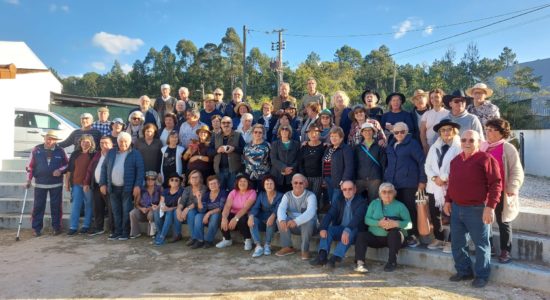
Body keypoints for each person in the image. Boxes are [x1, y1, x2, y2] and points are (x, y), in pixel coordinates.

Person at [444, 130, 502, 288]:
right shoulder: (455, 161)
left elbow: (496, 184)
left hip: (477, 209)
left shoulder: (486, 159)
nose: (467, 143)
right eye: (464, 140)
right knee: (457, 243)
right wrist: (448, 201)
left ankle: (482, 276)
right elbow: (452, 183)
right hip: (456, 208)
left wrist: (490, 207)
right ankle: (464, 271)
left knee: (481, 244)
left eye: (471, 140)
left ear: (478, 142)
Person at [482, 118, 524, 263]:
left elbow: (517, 170)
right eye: (487, 129)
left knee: (503, 221)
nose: (489, 132)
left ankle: (506, 250)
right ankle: (490, 247)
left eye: (493, 130)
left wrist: (512, 187)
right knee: (485, 221)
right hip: (483, 192)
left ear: (502, 133)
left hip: (501, 191)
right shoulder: (482, 146)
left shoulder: (508, 148)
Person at [384, 122, 426, 247]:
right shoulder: (391, 145)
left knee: (410, 210)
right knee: (397, 210)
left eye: (402, 131)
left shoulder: (412, 144)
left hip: (409, 183)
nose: (399, 134)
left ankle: (413, 235)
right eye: (396, 132)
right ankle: (400, 235)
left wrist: (422, 180)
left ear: (407, 131)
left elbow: (422, 161)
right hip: (393, 184)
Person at [354, 183, 412, 273]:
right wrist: (378, 223)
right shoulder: (374, 203)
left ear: (394, 193)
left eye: (390, 192)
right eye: (384, 192)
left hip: (393, 239)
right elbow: (366, 220)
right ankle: (360, 263)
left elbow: (409, 224)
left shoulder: (400, 206)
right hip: (376, 238)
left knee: (394, 234)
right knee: (361, 236)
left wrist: (396, 223)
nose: (387, 194)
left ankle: (392, 262)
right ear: (380, 194)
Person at [424, 119, 462, 253]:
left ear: (454, 131)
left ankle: (452, 241)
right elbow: (427, 166)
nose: (446, 132)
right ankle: (439, 238)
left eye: (449, 129)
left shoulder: (459, 147)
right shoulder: (435, 147)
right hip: (434, 186)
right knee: (435, 214)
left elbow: (459, 166)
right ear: (440, 132)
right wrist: (435, 178)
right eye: (443, 130)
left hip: (450, 185)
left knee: (452, 214)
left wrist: (443, 178)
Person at [311, 181, 367, 268]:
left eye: (350, 189)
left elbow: (357, 218)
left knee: (350, 232)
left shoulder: (361, 202)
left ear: (355, 189)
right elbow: (330, 214)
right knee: (328, 230)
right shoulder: (339, 200)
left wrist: (347, 230)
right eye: (345, 189)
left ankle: (335, 258)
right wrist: (323, 227)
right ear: (342, 190)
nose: (347, 191)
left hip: (356, 231)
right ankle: (322, 256)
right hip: (341, 229)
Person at [100, 132, 145, 241]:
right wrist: (102, 184)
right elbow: (104, 168)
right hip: (113, 187)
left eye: (125, 141)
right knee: (115, 211)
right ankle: (117, 232)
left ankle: (125, 232)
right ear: (117, 142)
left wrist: (137, 186)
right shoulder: (111, 153)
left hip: (127, 188)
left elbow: (140, 170)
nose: (123, 143)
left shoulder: (135, 154)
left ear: (130, 142)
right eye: (121, 141)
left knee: (126, 211)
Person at [25, 130, 68, 236]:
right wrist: (28, 179)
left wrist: (60, 170)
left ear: (55, 140)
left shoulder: (61, 150)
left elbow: (67, 164)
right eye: (48, 138)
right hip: (40, 183)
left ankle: (56, 227)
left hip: (56, 184)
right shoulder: (36, 149)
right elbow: (30, 166)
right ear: (44, 138)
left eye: (52, 139)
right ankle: (36, 228)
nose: (50, 141)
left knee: (56, 206)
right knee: (38, 206)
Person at [276, 174, 318, 260]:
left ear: (305, 184)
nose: (298, 185)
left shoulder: (311, 196)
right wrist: (282, 220)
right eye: (295, 183)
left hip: (311, 228)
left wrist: (296, 221)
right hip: (293, 226)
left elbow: (311, 212)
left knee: (308, 221)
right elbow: (281, 208)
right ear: (291, 183)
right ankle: (287, 247)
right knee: (279, 220)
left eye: (301, 183)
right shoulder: (287, 195)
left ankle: (305, 250)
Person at [84, 136, 115, 236]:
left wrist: (105, 184)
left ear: (111, 144)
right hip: (96, 185)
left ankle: (113, 229)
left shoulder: (114, 155)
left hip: (110, 186)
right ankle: (99, 228)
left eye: (106, 143)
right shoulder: (97, 155)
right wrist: (86, 182)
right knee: (97, 208)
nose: (103, 145)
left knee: (111, 209)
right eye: (101, 143)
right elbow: (90, 169)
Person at [66, 134, 96, 235]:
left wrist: (88, 183)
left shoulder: (94, 154)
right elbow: (69, 169)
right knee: (76, 205)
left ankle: (86, 225)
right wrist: (67, 183)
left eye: (88, 142)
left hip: (88, 184)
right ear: (80, 142)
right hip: (76, 183)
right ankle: (73, 226)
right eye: (83, 141)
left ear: (91, 143)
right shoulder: (75, 153)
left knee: (88, 205)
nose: (85, 143)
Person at [217, 174, 257, 250]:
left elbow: (245, 208)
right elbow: (227, 206)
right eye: (240, 181)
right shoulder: (233, 192)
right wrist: (224, 218)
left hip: (245, 214)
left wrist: (236, 219)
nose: (242, 183)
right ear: (237, 183)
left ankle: (247, 239)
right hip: (234, 213)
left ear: (248, 183)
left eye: (245, 181)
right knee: (221, 217)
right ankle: (227, 239)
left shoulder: (252, 192)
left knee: (242, 220)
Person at [248, 175, 283, 257]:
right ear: (263, 185)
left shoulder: (281, 195)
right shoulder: (261, 195)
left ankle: (267, 245)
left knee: (272, 220)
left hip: (274, 223)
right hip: (262, 220)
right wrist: (251, 216)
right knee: (253, 220)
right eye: (267, 184)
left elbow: (279, 208)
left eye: (271, 183)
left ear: (274, 185)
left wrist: (273, 216)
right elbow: (256, 207)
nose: (269, 185)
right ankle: (258, 246)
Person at [354, 122, 386, 203]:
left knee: (374, 202)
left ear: (373, 132)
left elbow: (383, 164)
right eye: (365, 131)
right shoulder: (357, 148)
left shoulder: (379, 147)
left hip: (375, 179)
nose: (367, 132)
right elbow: (354, 164)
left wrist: (383, 179)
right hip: (359, 178)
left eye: (370, 130)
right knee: (358, 202)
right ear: (361, 133)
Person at [322, 127, 354, 208]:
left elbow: (349, 166)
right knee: (331, 202)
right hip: (328, 179)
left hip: (338, 181)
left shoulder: (346, 149)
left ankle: (335, 220)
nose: (333, 138)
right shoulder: (329, 148)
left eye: (336, 136)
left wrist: (344, 180)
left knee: (335, 204)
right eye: (332, 136)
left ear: (341, 138)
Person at [211, 116, 245, 191]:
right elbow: (209, 151)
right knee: (220, 192)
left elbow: (245, 150)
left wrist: (234, 149)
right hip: (219, 170)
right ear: (220, 124)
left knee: (233, 191)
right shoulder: (215, 136)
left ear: (232, 124)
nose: (226, 124)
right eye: (223, 123)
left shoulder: (238, 135)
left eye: (228, 122)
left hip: (233, 170)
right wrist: (217, 150)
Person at [193, 175, 227, 248]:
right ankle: (200, 240)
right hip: (208, 215)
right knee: (198, 216)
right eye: (211, 184)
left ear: (219, 184)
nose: (213, 185)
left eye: (215, 183)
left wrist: (208, 213)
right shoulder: (206, 195)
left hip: (220, 215)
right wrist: (199, 199)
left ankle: (209, 240)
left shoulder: (223, 193)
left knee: (215, 216)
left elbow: (221, 208)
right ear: (208, 186)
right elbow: (202, 210)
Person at [177, 170, 208, 245]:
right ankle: (194, 237)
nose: (194, 179)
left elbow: (197, 202)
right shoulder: (187, 189)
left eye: (196, 177)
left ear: (200, 179)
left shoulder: (204, 188)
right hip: (191, 210)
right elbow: (182, 201)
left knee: (192, 213)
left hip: (201, 210)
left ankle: (195, 238)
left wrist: (186, 209)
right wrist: (179, 210)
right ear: (189, 179)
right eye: (192, 177)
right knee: (189, 213)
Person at [154, 173, 185, 246]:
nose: (174, 181)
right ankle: (160, 232)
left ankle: (162, 236)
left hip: (176, 210)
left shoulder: (181, 191)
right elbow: (161, 202)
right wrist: (158, 207)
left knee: (170, 212)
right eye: (172, 180)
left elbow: (179, 205)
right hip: (166, 209)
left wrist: (169, 209)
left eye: (176, 180)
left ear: (179, 182)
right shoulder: (165, 191)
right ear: (169, 182)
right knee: (155, 212)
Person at [129, 171, 161, 239]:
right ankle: (135, 233)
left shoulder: (159, 189)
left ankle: (153, 232)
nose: (150, 181)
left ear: (155, 180)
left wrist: (153, 208)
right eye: (148, 179)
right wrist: (141, 208)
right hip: (143, 211)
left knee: (151, 214)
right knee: (132, 213)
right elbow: (136, 204)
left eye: (152, 179)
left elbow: (162, 202)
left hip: (154, 211)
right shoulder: (142, 189)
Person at [298, 125, 325, 204]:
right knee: (305, 198)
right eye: (311, 132)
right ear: (308, 134)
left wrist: (324, 179)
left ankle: (314, 215)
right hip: (306, 177)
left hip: (318, 177)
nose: (313, 134)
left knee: (315, 198)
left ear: (319, 134)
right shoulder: (304, 146)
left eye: (316, 132)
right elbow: (300, 163)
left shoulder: (324, 146)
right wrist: (303, 177)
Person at [270, 125, 300, 192]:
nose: (284, 131)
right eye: (282, 129)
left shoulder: (296, 144)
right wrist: (284, 168)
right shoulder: (275, 144)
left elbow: (298, 159)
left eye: (286, 129)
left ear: (290, 132)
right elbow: (273, 159)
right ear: (279, 132)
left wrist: (290, 168)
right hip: (277, 174)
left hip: (292, 174)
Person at [420, 88, 449, 153]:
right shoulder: (426, 114)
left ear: (442, 98)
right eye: (432, 98)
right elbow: (422, 132)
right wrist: (425, 146)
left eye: (436, 97)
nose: (434, 99)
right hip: (429, 147)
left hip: (444, 147)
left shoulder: (448, 114)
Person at [243, 124, 271, 188]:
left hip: (263, 175)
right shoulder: (247, 146)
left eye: (260, 132)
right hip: (249, 175)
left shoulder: (267, 145)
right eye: (255, 132)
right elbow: (244, 159)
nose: (257, 134)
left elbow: (270, 160)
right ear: (252, 133)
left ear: (263, 134)